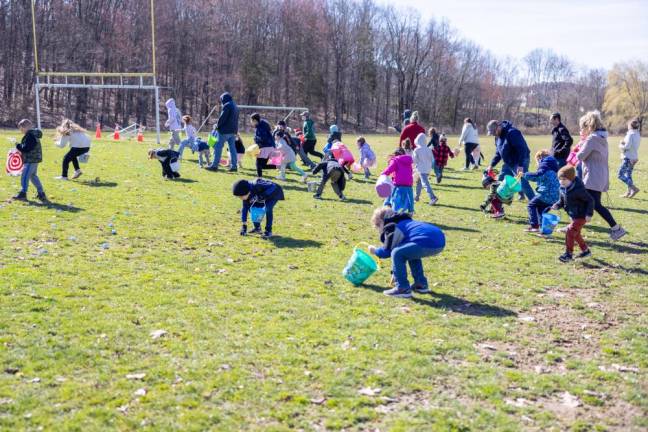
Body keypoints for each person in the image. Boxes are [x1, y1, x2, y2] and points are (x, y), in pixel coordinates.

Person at [368, 207, 446, 298]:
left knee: (396, 253)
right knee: (409, 252)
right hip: (439, 240)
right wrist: (395, 272)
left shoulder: (391, 226)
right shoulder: (404, 221)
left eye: (377, 225)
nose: (378, 230)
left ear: (382, 221)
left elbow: (387, 251)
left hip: (426, 241)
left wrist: (375, 251)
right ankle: (420, 284)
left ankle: (402, 288)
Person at [576, 111, 626, 240]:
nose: (582, 130)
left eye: (583, 127)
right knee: (591, 203)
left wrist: (581, 145)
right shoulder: (602, 138)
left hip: (592, 176)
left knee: (590, 203)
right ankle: (575, 227)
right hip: (600, 175)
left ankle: (616, 228)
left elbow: (580, 156)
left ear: (589, 126)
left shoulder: (592, 138)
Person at [551, 165, 594, 262]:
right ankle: (585, 250)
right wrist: (557, 205)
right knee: (576, 234)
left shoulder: (578, 189)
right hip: (573, 215)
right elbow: (561, 201)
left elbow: (590, 200)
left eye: (564, 179)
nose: (561, 181)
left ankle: (568, 254)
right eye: (560, 179)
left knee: (570, 232)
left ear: (571, 179)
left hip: (581, 215)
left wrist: (589, 214)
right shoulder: (562, 188)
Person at [486, 119, 535, 201]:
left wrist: (520, 165)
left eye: (493, 132)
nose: (493, 135)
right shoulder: (497, 137)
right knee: (501, 179)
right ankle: (498, 205)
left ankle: (536, 204)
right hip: (509, 162)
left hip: (520, 160)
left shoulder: (512, 133)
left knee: (523, 183)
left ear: (498, 127)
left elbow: (522, 149)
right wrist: (491, 164)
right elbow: (498, 153)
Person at [523, 150, 560, 232]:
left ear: (539, 158)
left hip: (545, 194)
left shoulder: (544, 165)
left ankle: (534, 226)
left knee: (531, 205)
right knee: (541, 211)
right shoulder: (554, 165)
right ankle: (545, 230)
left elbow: (537, 176)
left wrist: (525, 174)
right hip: (555, 196)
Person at [12, 119, 47, 202]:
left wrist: (18, 145)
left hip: (30, 160)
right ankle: (41, 193)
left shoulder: (30, 136)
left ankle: (23, 193)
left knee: (25, 176)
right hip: (34, 159)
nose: (21, 131)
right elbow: (28, 147)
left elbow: (26, 148)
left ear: (25, 127)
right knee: (33, 176)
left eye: (21, 129)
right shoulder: (33, 134)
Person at [207, 92, 239, 172]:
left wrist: (217, 126)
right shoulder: (235, 105)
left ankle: (214, 165)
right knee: (232, 149)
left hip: (224, 131)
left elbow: (223, 118)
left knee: (218, 148)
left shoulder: (227, 105)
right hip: (233, 130)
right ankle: (234, 166)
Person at [382, 148, 415, 213]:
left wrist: (383, 174)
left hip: (398, 184)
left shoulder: (395, 160)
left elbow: (389, 169)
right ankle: (411, 210)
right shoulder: (408, 160)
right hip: (408, 184)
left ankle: (387, 208)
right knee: (410, 198)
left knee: (392, 196)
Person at [412, 133, 438, 205]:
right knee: (419, 182)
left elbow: (414, 160)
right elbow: (432, 160)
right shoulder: (428, 149)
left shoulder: (416, 150)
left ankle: (432, 197)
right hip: (427, 169)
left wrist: (414, 166)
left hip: (421, 169)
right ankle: (416, 197)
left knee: (425, 184)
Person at [618, 118, 641, 198]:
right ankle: (628, 192)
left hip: (628, 157)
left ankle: (634, 188)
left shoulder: (630, 134)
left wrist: (621, 144)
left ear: (630, 126)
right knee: (628, 174)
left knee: (620, 174)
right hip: (634, 157)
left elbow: (627, 146)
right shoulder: (637, 134)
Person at [250, 113, 277, 178]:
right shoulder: (263, 124)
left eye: (251, 120)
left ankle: (259, 178)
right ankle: (278, 166)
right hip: (270, 146)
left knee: (258, 163)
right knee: (263, 165)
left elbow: (263, 138)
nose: (251, 122)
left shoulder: (260, 127)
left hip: (265, 147)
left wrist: (256, 139)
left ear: (255, 120)